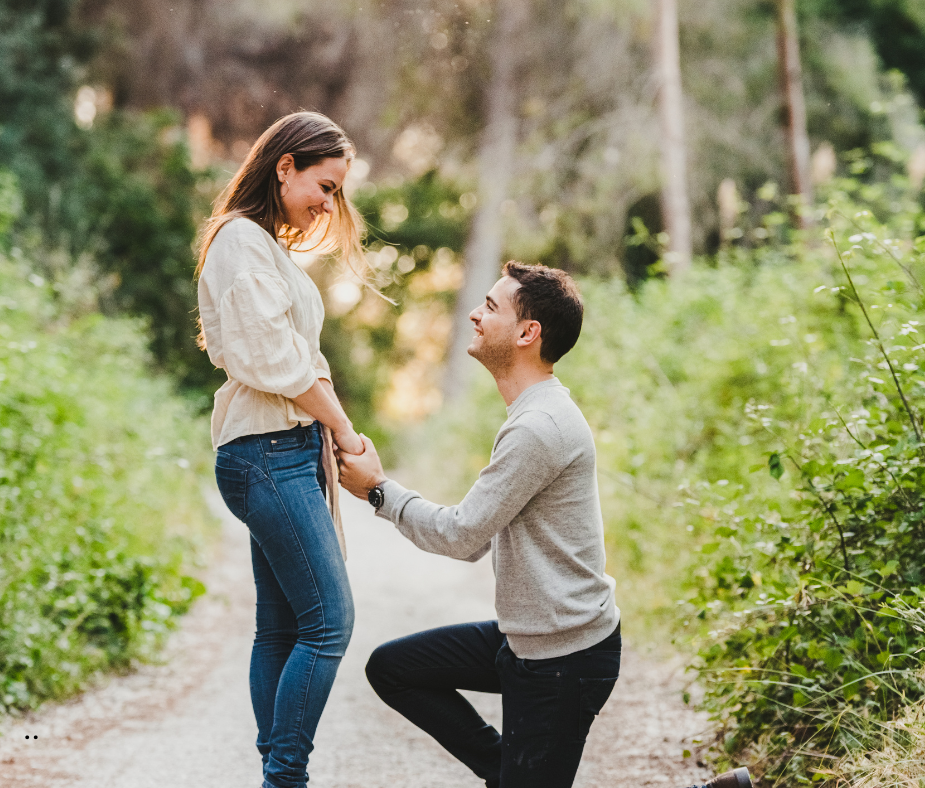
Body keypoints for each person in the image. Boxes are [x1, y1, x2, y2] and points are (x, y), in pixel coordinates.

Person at [338, 262, 755, 788]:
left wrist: (378, 491)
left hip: (567, 659)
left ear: (526, 333)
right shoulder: (531, 413)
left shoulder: (540, 426)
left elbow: (463, 537)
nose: (474, 313)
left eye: (490, 307)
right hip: (526, 643)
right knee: (395, 669)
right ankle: (510, 775)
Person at [195, 111, 366, 788]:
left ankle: (277, 772)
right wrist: (347, 431)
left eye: (336, 193)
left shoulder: (262, 244)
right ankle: (284, 778)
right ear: (284, 165)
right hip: (266, 453)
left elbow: (297, 360)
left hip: (279, 450)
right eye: (323, 186)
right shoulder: (240, 241)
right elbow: (284, 363)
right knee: (330, 621)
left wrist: (328, 429)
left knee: (285, 626)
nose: (328, 205)